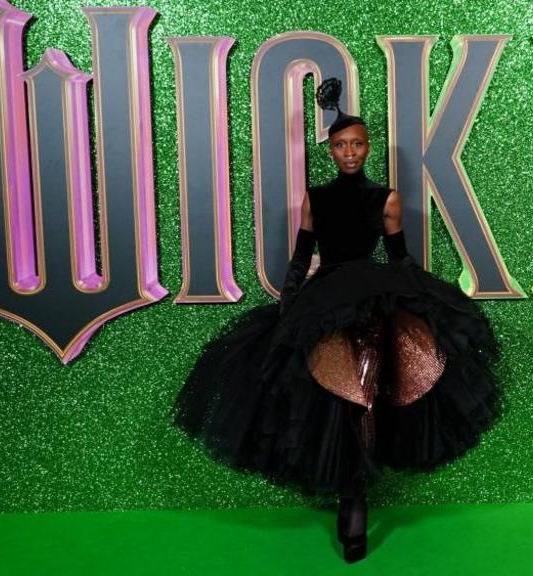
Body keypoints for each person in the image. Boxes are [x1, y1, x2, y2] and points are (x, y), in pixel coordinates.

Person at [173, 77, 502, 563]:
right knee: (329, 390)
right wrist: (288, 300)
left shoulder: (385, 199)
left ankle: (357, 493)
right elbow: (302, 252)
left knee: (374, 389)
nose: (349, 152)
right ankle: (351, 489)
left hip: (372, 297)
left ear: (368, 149)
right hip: (324, 298)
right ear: (330, 150)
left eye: (357, 144)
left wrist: (427, 298)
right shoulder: (316, 198)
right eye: (341, 145)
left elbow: (399, 258)